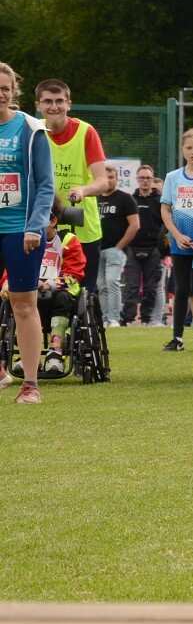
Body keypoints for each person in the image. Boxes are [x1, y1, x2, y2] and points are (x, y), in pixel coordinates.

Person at [0, 64, 56, 402]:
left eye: (6, 88)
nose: (1, 94)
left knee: (23, 304)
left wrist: (35, 226)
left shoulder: (30, 129)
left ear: (13, 91)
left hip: (21, 231)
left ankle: (30, 384)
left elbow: (45, 185)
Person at [35, 80, 112, 290]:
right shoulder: (33, 132)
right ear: (38, 105)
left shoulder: (86, 132)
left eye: (59, 101)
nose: (54, 107)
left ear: (69, 104)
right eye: (47, 101)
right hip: (42, 224)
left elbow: (102, 181)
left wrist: (82, 190)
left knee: (82, 292)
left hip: (81, 226)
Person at [160, 129, 193, 353]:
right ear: (182, 149)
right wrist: (175, 234)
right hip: (180, 243)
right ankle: (178, 337)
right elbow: (165, 209)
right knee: (181, 289)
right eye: (189, 148)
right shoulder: (173, 177)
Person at [32, 205, 86, 379]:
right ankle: (28, 355)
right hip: (31, 290)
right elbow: (12, 269)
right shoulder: (26, 238)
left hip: (62, 291)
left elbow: (75, 273)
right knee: (19, 299)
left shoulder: (69, 240)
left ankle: (55, 353)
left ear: (53, 221)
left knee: (62, 297)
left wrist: (49, 284)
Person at [122, 165, 165, 327]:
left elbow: (165, 224)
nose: (145, 181)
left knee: (151, 287)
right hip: (133, 248)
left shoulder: (160, 201)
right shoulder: (130, 200)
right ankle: (127, 319)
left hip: (154, 249)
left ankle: (146, 319)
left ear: (152, 179)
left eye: (148, 178)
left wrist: (162, 247)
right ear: (137, 179)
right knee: (131, 286)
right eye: (142, 178)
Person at [93, 176, 139, 326]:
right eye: (106, 177)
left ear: (117, 179)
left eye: (111, 177)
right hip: (97, 248)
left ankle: (114, 318)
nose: (108, 180)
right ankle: (105, 318)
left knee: (112, 281)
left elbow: (135, 224)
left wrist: (120, 246)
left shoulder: (125, 198)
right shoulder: (95, 198)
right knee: (101, 285)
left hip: (115, 249)